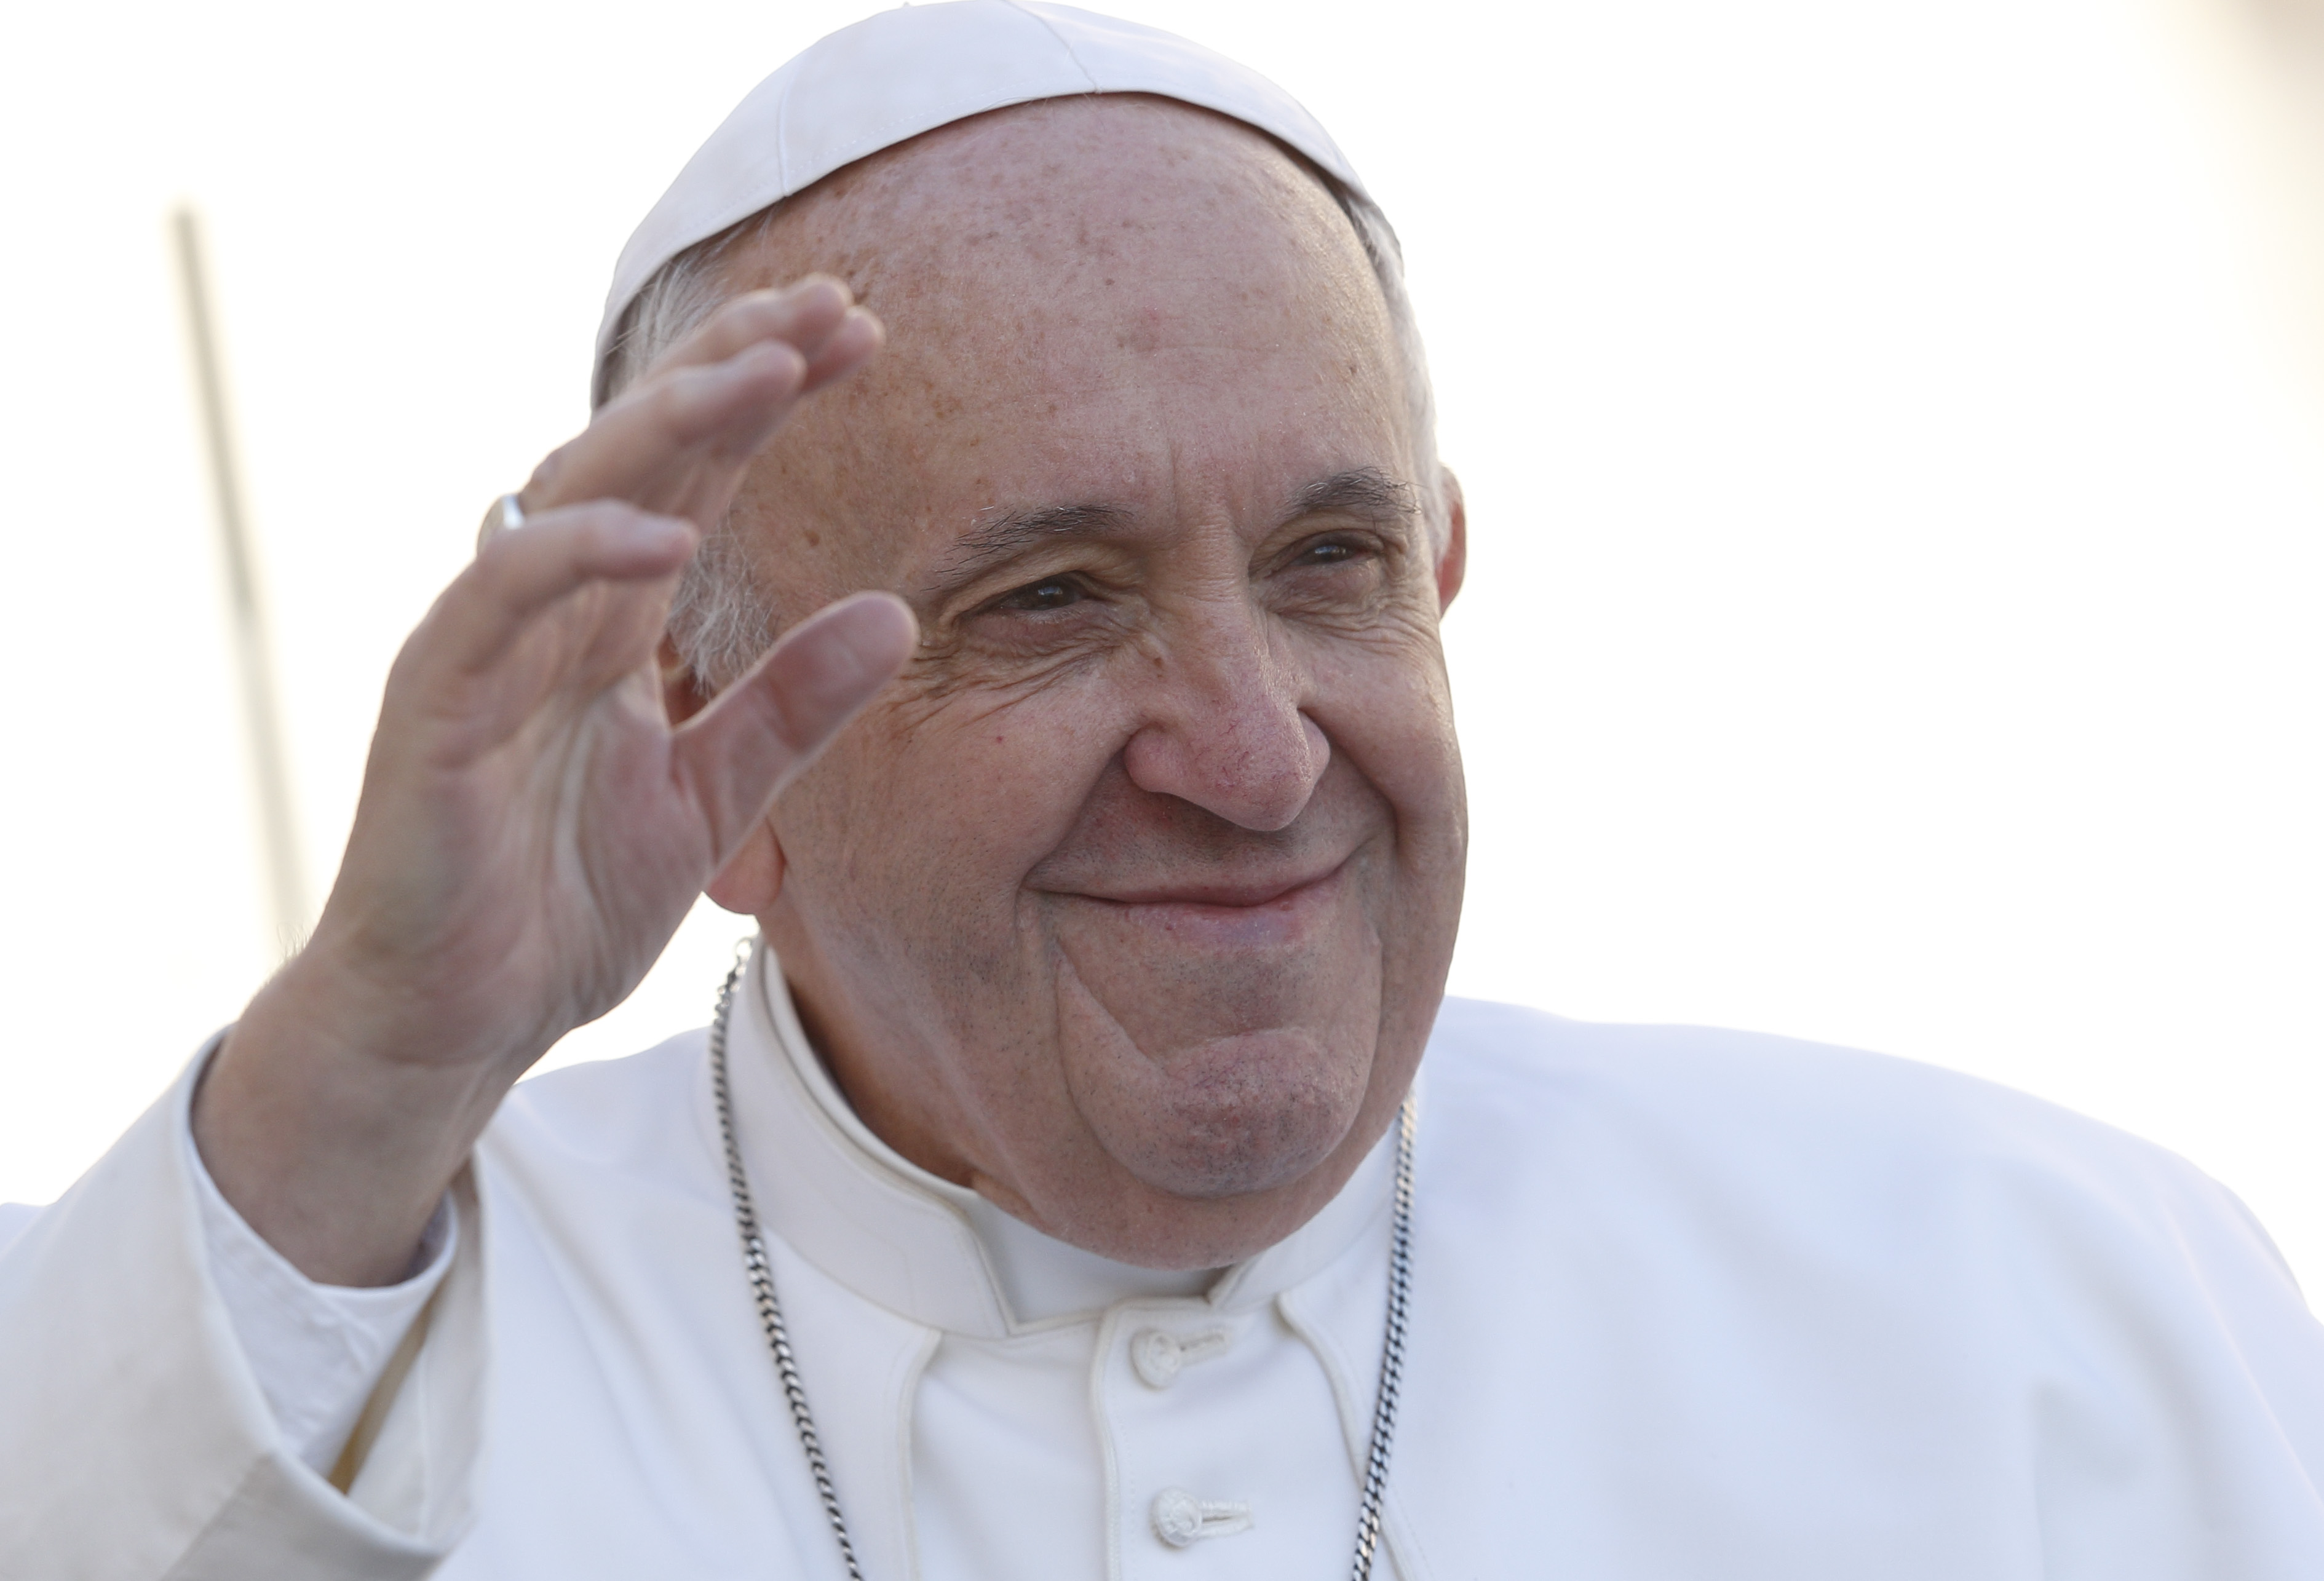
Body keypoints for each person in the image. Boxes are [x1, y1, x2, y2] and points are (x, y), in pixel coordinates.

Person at [5, 3, 2323, 1576]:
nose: (1249, 752)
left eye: (1329, 566)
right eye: (1046, 600)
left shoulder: (2042, 1302)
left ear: (1444, 570)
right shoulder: (321, 1334)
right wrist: (381, 1052)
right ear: (716, 770)